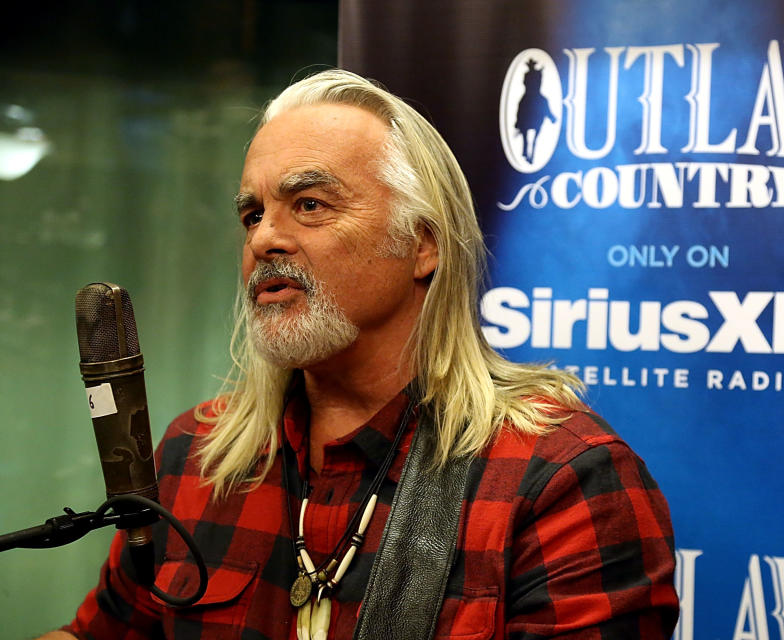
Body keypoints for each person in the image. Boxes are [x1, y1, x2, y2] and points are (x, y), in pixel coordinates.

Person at [41, 69, 678, 639]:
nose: (265, 237)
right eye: (252, 214)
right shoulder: (195, 455)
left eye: (310, 205)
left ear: (422, 245)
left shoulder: (562, 479)